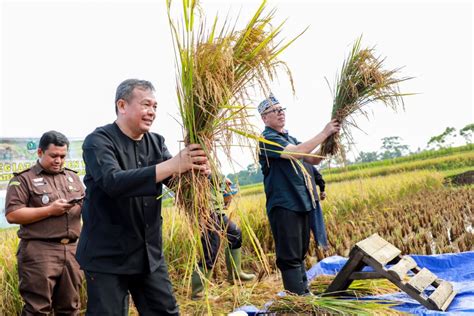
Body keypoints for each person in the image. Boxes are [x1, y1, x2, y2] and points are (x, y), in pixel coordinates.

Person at [75, 79, 209, 315]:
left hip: (149, 255)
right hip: (107, 258)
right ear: (122, 105)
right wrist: (173, 164)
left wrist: (195, 173)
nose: (152, 112)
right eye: (146, 104)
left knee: (165, 312)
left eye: (155, 107)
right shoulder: (98, 141)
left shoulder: (156, 142)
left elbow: (175, 182)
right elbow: (112, 182)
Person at [258, 93, 340, 295]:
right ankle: (298, 299)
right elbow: (298, 152)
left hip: (301, 201)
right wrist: (323, 132)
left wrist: (330, 139)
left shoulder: (288, 137)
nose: (280, 113)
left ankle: (304, 292)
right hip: (285, 204)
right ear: (264, 118)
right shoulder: (267, 139)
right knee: (290, 255)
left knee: (300, 251)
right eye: (274, 111)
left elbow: (312, 159)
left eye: (281, 109)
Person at [5, 130, 85, 315]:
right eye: (54, 156)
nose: (58, 160)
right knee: (37, 309)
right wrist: (49, 210)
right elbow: (13, 214)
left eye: (63, 156)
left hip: (73, 250)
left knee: (70, 307)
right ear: (40, 152)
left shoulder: (72, 178)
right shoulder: (23, 179)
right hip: (40, 251)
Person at [191, 176, 256, 299]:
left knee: (234, 234)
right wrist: (220, 178)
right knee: (210, 250)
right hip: (206, 211)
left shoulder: (210, 159)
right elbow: (200, 173)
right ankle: (198, 293)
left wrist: (222, 195)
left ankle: (235, 275)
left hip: (216, 210)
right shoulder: (194, 158)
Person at [304, 163, 329, 257]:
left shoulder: (290, 162)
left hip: (298, 202)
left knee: (302, 230)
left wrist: (322, 190)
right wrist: (322, 190)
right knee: (318, 228)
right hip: (312, 199)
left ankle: (307, 255)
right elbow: (319, 177)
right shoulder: (306, 162)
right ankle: (323, 252)